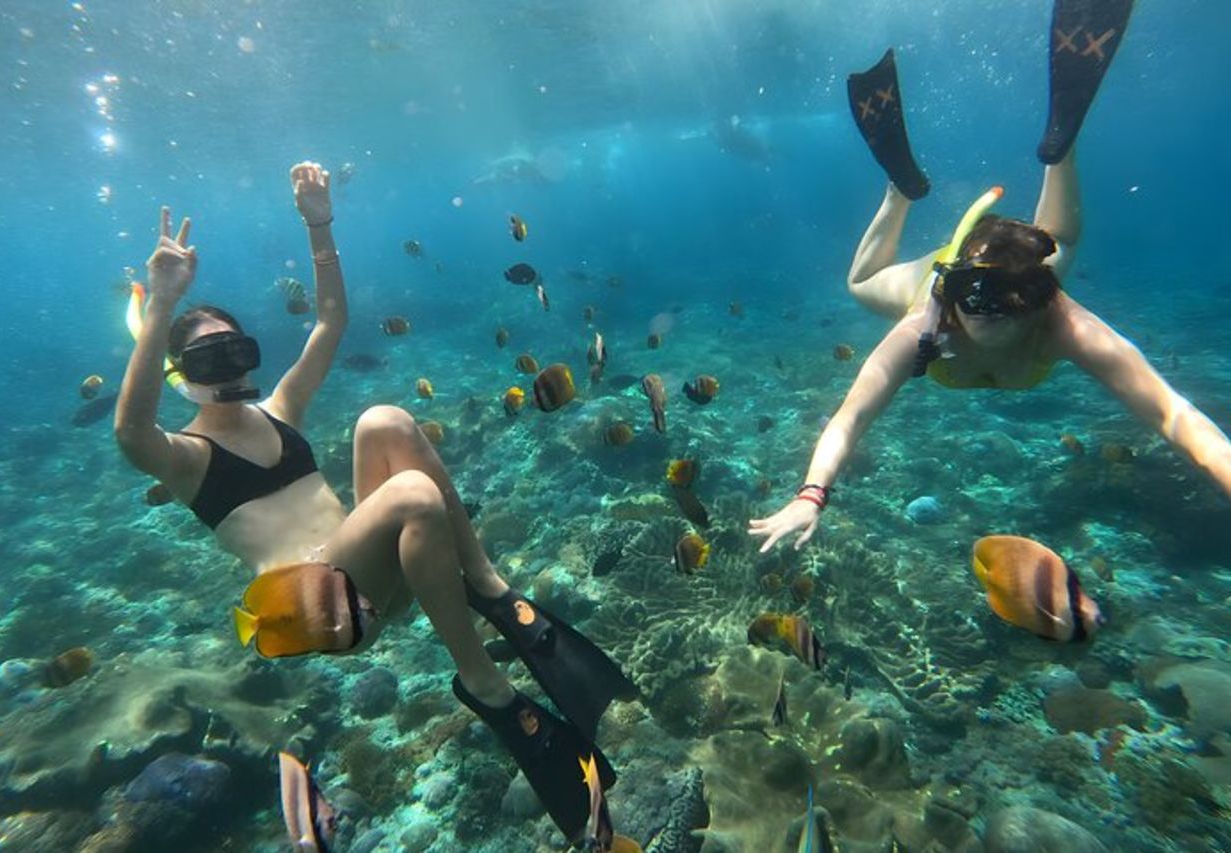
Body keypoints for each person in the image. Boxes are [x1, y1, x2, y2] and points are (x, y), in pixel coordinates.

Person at [113, 162, 634, 841]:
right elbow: (130, 431)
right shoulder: (187, 458)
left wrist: (319, 223)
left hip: (378, 577)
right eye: (209, 361)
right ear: (180, 378)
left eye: (237, 351)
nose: (232, 369)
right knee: (413, 492)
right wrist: (160, 305)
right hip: (319, 614)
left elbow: (331, 320)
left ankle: (487, 586)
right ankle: (483, 682)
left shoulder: (281, 410)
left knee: (384, 418)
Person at [750, 0, 1231, 553]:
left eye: (1004, 309)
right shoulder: (926, 322)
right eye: (974, 304)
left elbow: (1171, 411)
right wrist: (811, 495)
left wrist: (812, 495)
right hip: (949, 273)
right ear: (952, 292)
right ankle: (997, 166)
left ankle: (1055, 152)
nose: (986, 317)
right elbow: (850, 416)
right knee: (871, 283)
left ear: (1036, 302)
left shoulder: (1061, 321)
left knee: (1055, 247)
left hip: (1024, 264)